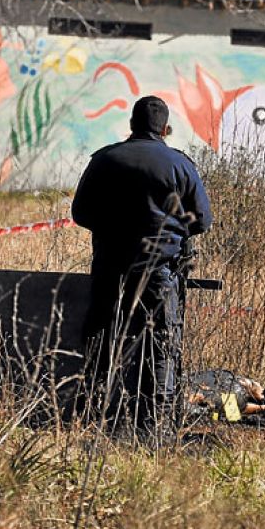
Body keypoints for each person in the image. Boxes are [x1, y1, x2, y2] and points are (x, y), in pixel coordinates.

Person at [71, 95, 213, 435]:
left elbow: (81, 213)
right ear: (165, 129)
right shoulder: (179, 165)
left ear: (131, 126)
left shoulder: (105, 160)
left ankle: (99, 419)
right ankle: (155, 429)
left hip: (109, 269)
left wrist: (113, 230)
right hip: (159, 274)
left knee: (103, 342)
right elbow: (202, 220)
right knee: (160, 346)